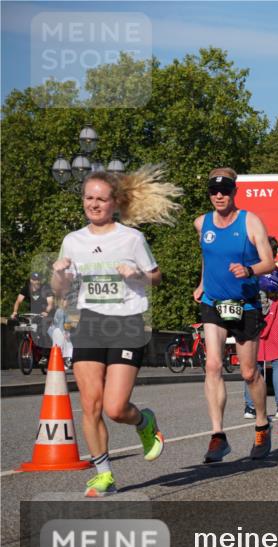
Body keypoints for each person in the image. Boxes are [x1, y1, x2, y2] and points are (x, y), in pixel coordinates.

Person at [51, 168, 178, 496]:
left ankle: (143, 422)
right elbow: (61, 291)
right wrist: (58, 273)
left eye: (101, 199)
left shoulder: (131, 238)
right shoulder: (72, 241)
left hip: (127, 323)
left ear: (114, 203)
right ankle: (104, 473)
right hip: (90, 323)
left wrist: (137, 273)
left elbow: (156, 277)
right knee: (90, 405)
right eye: (89, 198)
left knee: (115, 407)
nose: (94, 204)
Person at [194, 168, 276, 462]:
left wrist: (249, 270)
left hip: (246, 304)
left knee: (248, 372)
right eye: (214, 191)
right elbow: (208, 256)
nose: (219, 196)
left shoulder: (250, 221)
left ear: (234, 192)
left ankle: (262, 425)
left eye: (225, 191)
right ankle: (218, 436)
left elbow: (270, 261)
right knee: (213, 365)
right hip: (214, 302)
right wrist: (203, 283)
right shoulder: (201, 223)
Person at [244, 237, 278, 420]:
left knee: (253, 362)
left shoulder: (251, 268)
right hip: (276, 313)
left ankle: (250, 407)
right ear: (276, 251)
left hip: (255, 313)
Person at [12, 272, 55, 350]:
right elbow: (18, 301)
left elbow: (50, 303)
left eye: (38, 280)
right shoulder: (26, 289)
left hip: (46, 314)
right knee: (22, 329)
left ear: (40, 280)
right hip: (33, 314)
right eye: (34, 280)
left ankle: (46, 352)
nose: (36, 282)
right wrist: (15, 312)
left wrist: (46, 312)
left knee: (42, 331)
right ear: (30, 280)